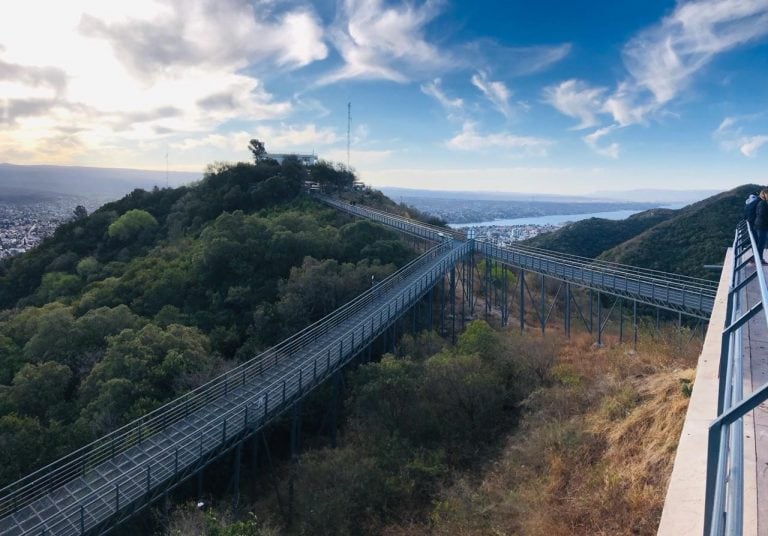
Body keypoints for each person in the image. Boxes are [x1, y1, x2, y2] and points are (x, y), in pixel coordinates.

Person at [754, 189, 768, 264]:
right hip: (762, 226)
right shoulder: (763, 203)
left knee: (761, 243)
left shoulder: (761, 203)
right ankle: (759, 259)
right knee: (761, 243)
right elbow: (762, 215)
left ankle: (758, 258)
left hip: (760, 225)